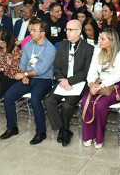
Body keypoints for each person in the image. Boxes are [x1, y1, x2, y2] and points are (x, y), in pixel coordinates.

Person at [0, 18, 57, 145]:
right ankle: (12, 127)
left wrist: (24, 74)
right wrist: (24, 74)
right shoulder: (29, 45)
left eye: (34, 30)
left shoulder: (50, 49)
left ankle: (41, 132)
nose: (31, 32)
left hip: (44, 80)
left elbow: (41, 70)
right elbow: (23, 63)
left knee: (35, 99)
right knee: (8, 96)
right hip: (28, 77)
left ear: (42, 33)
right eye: (31, 30)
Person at [44, 19, 93, 147]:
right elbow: (57, 67)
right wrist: (62, 80)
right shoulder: (62, 45)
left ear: (79, 32)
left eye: (71, 30)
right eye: (67, 29)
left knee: (66, 106)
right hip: (62, 81)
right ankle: (64, 129)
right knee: (49, 101)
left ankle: (63, 130)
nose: (67, 32)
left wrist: (69, 81)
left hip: (79, 83)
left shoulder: (88, 48)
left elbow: (85, 72)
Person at [81, 28, 120, 149]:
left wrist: (101, 86)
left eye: (103, 39)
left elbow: (118, 75)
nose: (100, 41)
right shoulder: (98, 51)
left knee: (100, 104)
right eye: (100, 38)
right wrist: (91, 84)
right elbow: (92, 70)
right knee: (85, 100)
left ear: (112, 41)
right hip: (98, 85)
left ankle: (99, 137)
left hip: (118, 86)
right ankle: (89, 135)